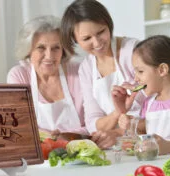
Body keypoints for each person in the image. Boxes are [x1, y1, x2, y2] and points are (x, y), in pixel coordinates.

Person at [61, 0, 145, 147]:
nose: (97, 42)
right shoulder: (86, 68)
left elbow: (158, 106)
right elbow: (93, 123)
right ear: (75, 40)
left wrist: (119, 132)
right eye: (87, 38)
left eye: (101, 32)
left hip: (149, 139)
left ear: (108, 24)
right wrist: (117, 113)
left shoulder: (133, 51)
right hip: (117, 144)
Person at [112, 35, 170, 154]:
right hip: (155, 168)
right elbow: (145, 138)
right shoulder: (148, 102)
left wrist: (169, 146)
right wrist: (130, 124)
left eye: (140, 71)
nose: (136, 79)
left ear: (162, 70)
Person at [7, 15, 89, 140]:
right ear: (28, 50)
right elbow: (18, 126)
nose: (49, 56)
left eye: (56, 48)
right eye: (41, 48)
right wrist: (50, 139)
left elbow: (94, 122)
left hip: (78, 147)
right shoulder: (19, 76)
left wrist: (66, 137)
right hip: (38, 154)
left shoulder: (79, 71)